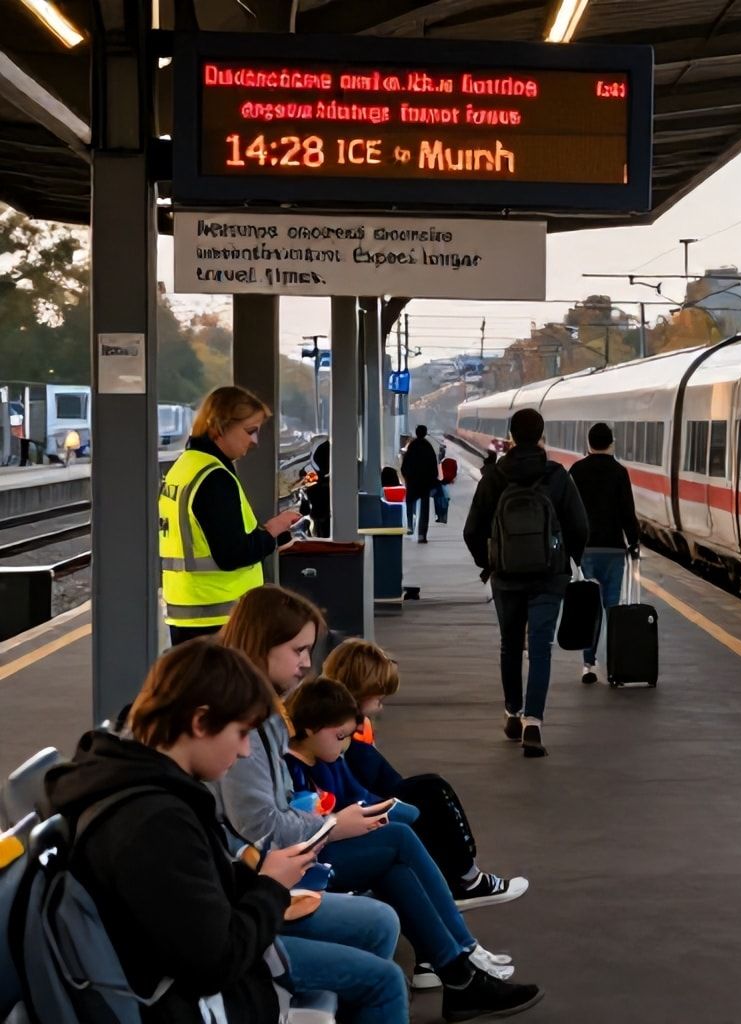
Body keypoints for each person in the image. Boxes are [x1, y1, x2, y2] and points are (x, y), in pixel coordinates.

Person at [214, 586, 540, 1016]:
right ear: (262, 645)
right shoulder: (244, 723)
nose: (307, 663)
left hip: (275, 861)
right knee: (398, 842)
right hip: (266, 873)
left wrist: (325, 818)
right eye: (298, 650)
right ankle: (461, 965)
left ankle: (459, 969)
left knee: (397, 841)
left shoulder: (264, 713)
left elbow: (274, 810)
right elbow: (261, 827)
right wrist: (331, 824)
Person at [40, 640, 304, 1024]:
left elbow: (188, 898)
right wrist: (270, 890)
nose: (246, 751)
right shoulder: (154, 824)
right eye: (241, 733)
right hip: (188, 1007)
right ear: (200, 722)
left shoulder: (126, 784)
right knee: (376, 976)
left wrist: (254, 879)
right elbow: (217, 962)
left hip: (172, 988)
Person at [325, 638, 527, 909]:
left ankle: (465, 877)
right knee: (430, 791)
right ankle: (467, 880)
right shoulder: (342, 739)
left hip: (370, 802)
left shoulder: (354, 732)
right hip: (361, 812)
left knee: (431, 790)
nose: (384, 698)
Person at [464, 408, 588, 758]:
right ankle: (534, 721)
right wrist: (568, 560)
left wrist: (489, 564)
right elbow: (580, 526)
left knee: (510, 644)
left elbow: (472, 530)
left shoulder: (495, 476)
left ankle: (512, 712)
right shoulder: (557, 476)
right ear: (542, 434)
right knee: (540, 648)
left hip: (506, 577)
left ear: (511, 436)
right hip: (549, 576)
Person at [159, 386, 302, 644]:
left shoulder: (184, 468)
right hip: (221, 615)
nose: (255, 441)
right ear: (219, 427)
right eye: (250, 431)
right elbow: (232, 554)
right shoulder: (214, 478)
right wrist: (273, 530)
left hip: (188, 609)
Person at [568, 422, 640, 685]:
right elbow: (627, 512)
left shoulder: (577, 470)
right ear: (612, 443)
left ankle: (588, 665)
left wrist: (572, 547)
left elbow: (570, 512)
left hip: (586, 550)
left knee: (590, 608)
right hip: (613, 550)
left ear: (589, 444)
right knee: (612, 607)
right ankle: (616, 665)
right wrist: (633, 543)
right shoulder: (620, 472)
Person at [401, 424, 441, 543]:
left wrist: (407, 478)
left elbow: (404, 466)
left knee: (410, 504)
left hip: (413, 482)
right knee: (424, 510)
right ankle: (422, 535)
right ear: (425, 433)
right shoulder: (428, 447)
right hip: (425, 484)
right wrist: (432, 482)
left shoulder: (412, 446)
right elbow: (434, 468)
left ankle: (409, 526)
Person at [298, 439, 331, 538]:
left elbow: (304, 509)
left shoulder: (309, 472)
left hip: (321, 515)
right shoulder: (310, 473)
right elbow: (305, 509)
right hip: (321, 516)